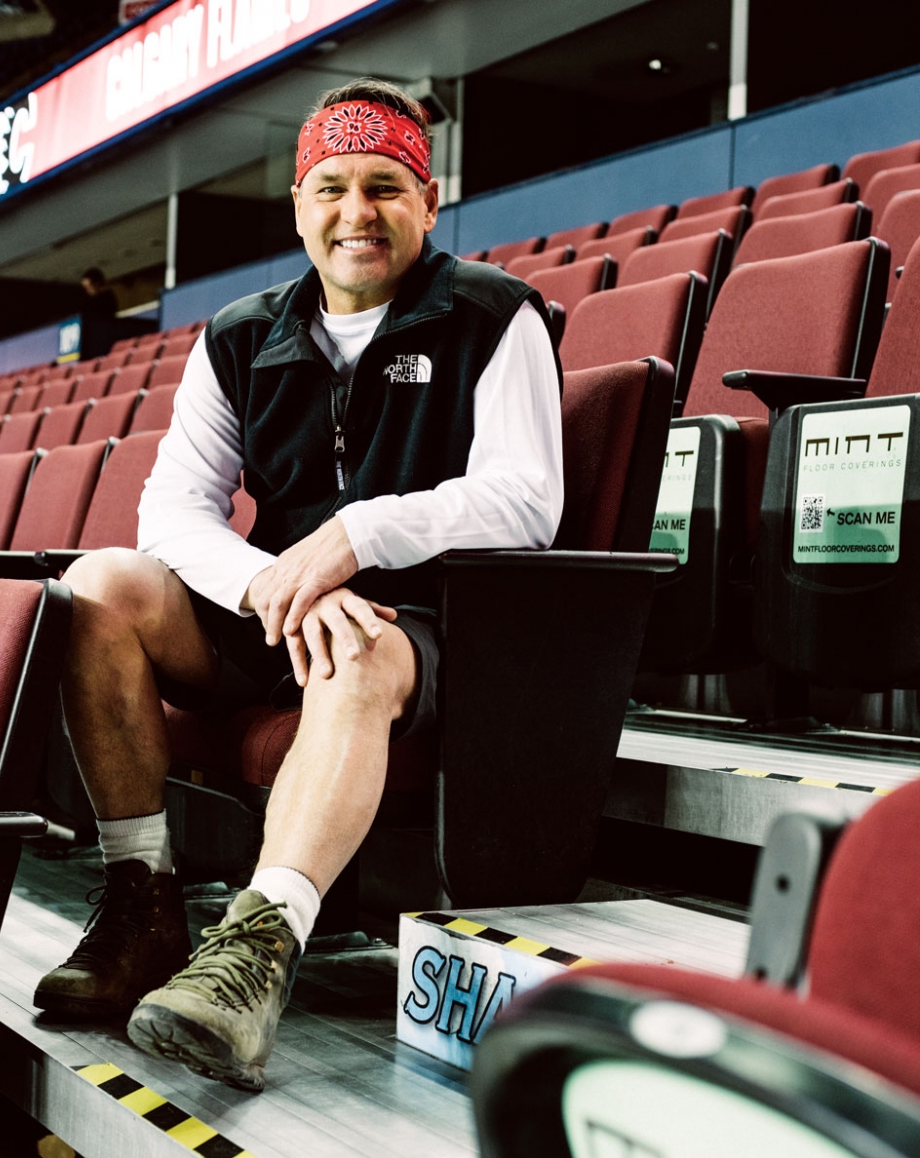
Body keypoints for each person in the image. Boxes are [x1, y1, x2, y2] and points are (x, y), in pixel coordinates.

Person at [34, 78, 563, 1092]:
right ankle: (142, 906)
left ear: (428, 197)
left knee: (356, 647)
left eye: (384, 187)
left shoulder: (498, 314)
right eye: (331, 187)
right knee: (99, 582)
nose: (356, 213)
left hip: (423, 621)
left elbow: (527, 499)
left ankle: (255, 954)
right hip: (272, 607)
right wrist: (282, 585)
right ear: (297, 204)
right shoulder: (239, 332)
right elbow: (174, 514)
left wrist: (357, 538)